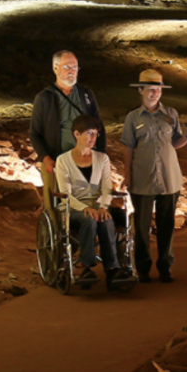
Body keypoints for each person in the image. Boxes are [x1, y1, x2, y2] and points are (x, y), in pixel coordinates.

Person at [121, 69, 187, 283]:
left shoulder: (171, 114)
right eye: (151, 90)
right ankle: (143, 269)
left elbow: (175, 143)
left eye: (158, 89)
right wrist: (127, 175)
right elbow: (127, 148)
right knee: (142, 227)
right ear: (141, 91)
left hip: (168, 177)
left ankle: (165, 267)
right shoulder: (133, 118)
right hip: (142, 177)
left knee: (166, 225)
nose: (155, 93)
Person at [55, 115, 133, 290]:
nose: (92, 138)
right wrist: (86, 208)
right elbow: (65, 193)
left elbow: (106, 188)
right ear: (77, 134)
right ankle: (87, 267)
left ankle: (113, 269)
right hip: (73, 207)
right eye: (89, 133)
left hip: (98, 205)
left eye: (95, 134)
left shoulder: (101, 158)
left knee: (105, 219)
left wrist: (103, 207)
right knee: (88, 219)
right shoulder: (63, 160)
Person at [30, 50, 106, 212]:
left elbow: (99, 126)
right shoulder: (45, 98)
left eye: (75, 67)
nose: (72, 71)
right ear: (56, 68)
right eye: (67, 67)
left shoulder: (85, 95)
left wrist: (101, 155)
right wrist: (46, 158)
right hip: (56, 161)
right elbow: (35, 133)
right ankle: (55, 235)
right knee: (55, 205)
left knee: (89, 203)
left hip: (85, 160)